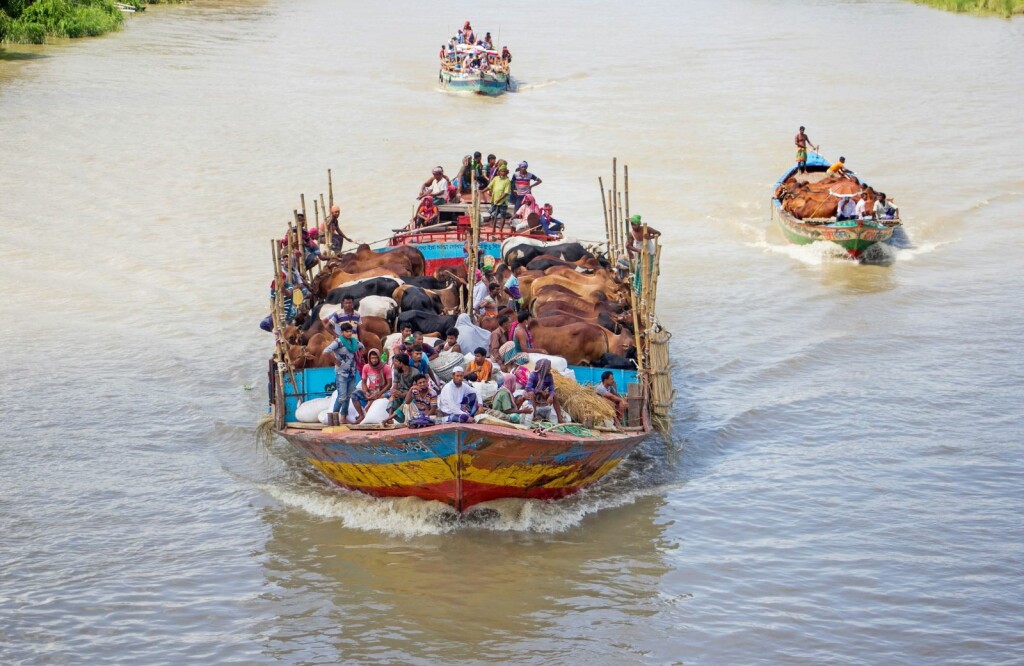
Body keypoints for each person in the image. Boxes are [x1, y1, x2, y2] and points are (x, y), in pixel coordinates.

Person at [324, 323, 363, 423]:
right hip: (341, 373)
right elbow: (326, 352)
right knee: (342, 397)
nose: (349, 333)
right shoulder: (338, 342)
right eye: (347, 331)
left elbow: (363, 348)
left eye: (350, 331)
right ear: (342, 332)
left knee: (348, 397)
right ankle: (333, 418)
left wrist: (359, 356)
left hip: (352, 372)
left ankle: (343, 417)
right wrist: (335, 361)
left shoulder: (354, 342)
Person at [349, 349, 392, 423]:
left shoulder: (386, 367)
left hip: (383, 391)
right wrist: (366, 392)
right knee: (354, 394)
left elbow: (389, 384)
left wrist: (380, 393)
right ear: (369, 358)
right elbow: (363, 382)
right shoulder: (366, 367)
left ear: (379, 357)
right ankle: (361, 415)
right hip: (371, 391)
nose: (374, 360)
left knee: (391, 394)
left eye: (376, 358)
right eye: (372, 358)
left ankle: (370, 410)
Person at [627, 215, 661, 294]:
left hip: (650, 253)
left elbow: (658, 233)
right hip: (640, 254)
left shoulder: (646, 229)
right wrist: (637, 250)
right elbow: (629, 246)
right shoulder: (631, 233)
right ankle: (640, 288)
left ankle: (648, 287)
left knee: (649, 270)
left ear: (639, 224)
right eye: (632, 224)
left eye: (635, 224)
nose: (633, 226)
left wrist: (650, 237)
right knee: (639, 270)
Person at [383, 352, 415, 423]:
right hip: (401, 392)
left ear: (401, 363)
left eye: (396, 361)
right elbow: (395, 384)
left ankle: (389, 419)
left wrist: (402, 394)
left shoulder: (415, 372)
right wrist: (393, 393)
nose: (394, 363)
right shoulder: (396, 371)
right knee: (392, 399)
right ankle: (390, 418)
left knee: (406, 401)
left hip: (411, 393)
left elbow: (414, 388)